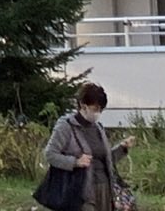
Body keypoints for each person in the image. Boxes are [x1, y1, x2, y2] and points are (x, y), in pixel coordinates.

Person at [44, 83, 131, 211]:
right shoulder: (66, 126)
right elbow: (50, 154)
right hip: (80, 190)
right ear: (83, 105)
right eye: (95, 108)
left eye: (101, 109)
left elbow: (105, 160)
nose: (98, 113)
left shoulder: (98, 128)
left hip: (104, 189)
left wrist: (122, 148)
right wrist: (75, 162)